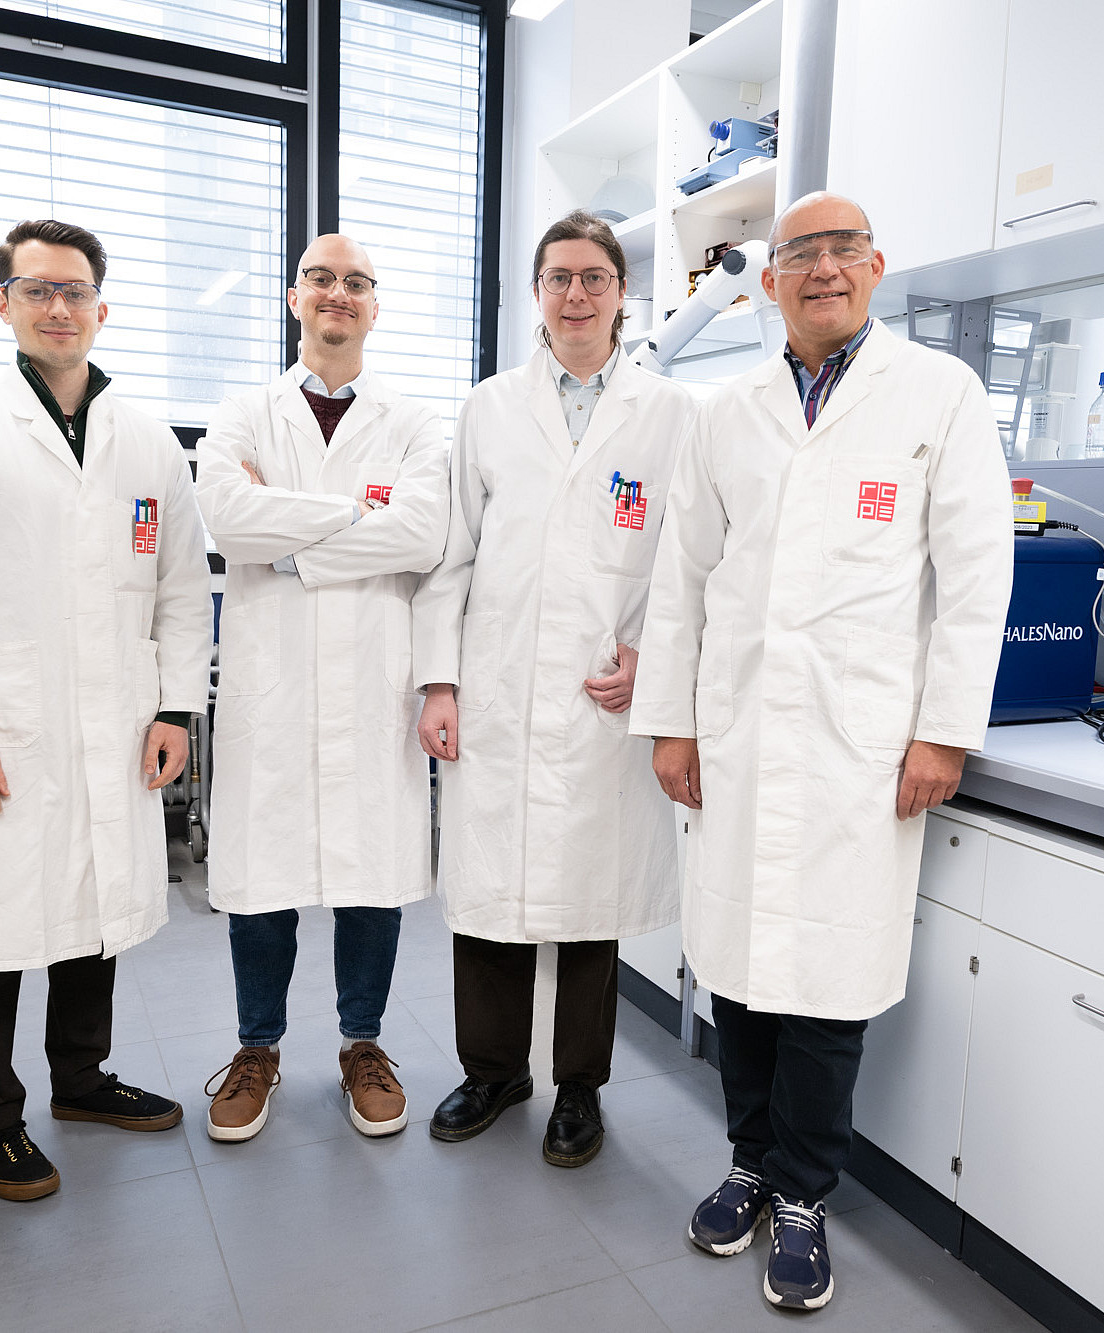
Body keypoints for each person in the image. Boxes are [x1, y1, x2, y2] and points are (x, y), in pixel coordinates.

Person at [631, 191, 1014, 1310]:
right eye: (800, 253)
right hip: (741, 734)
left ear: (877, 267)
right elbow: (682, 578)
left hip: (860, 741)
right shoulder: (724, 410)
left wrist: (942, 730)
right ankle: (747, 1159)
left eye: (844, 249)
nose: (823, 269)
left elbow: (974, 575)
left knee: (827, 982)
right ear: (767, 282)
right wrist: (672, 720)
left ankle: (803, 1194)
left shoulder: (939, 394)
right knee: (742, 969)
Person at [0, 219, 212, 1202]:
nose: (58, 308)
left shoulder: (144, 439)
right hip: (1, 727)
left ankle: (81, 1080)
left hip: (115, 721)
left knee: (93, 908)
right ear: (5, 305)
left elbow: (183, 589)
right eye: (38, 291)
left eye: (74, 292)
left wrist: (173, 710)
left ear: (101, 308)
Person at [410, 210, 689, 1167]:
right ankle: (492, 1071)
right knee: (488, 889)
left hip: (603, 693)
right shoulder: (488, 407)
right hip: (495, 683)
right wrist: (439, 680)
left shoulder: (669, 413)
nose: (576, 293)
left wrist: (652, 658)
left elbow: (689, 563)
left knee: (589, 897)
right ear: (536, 293)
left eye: (595, 277)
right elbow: (452, 555)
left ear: (621, 293)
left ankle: (578, 1087)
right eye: (559, 277)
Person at [195, 234, 448, 1145]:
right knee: (261, 878)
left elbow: (422, 535)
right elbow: (226, 517)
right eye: (321, 279)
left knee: (368, 877)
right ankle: (256, 1049)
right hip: (273, 683)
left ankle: (362, 1045)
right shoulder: (242, 412)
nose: (337, 293)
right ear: (295, 299)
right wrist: (357, 518)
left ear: (374, 308)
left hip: (374, 682)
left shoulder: (415, 422)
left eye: (356, 283)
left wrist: (287, 535)